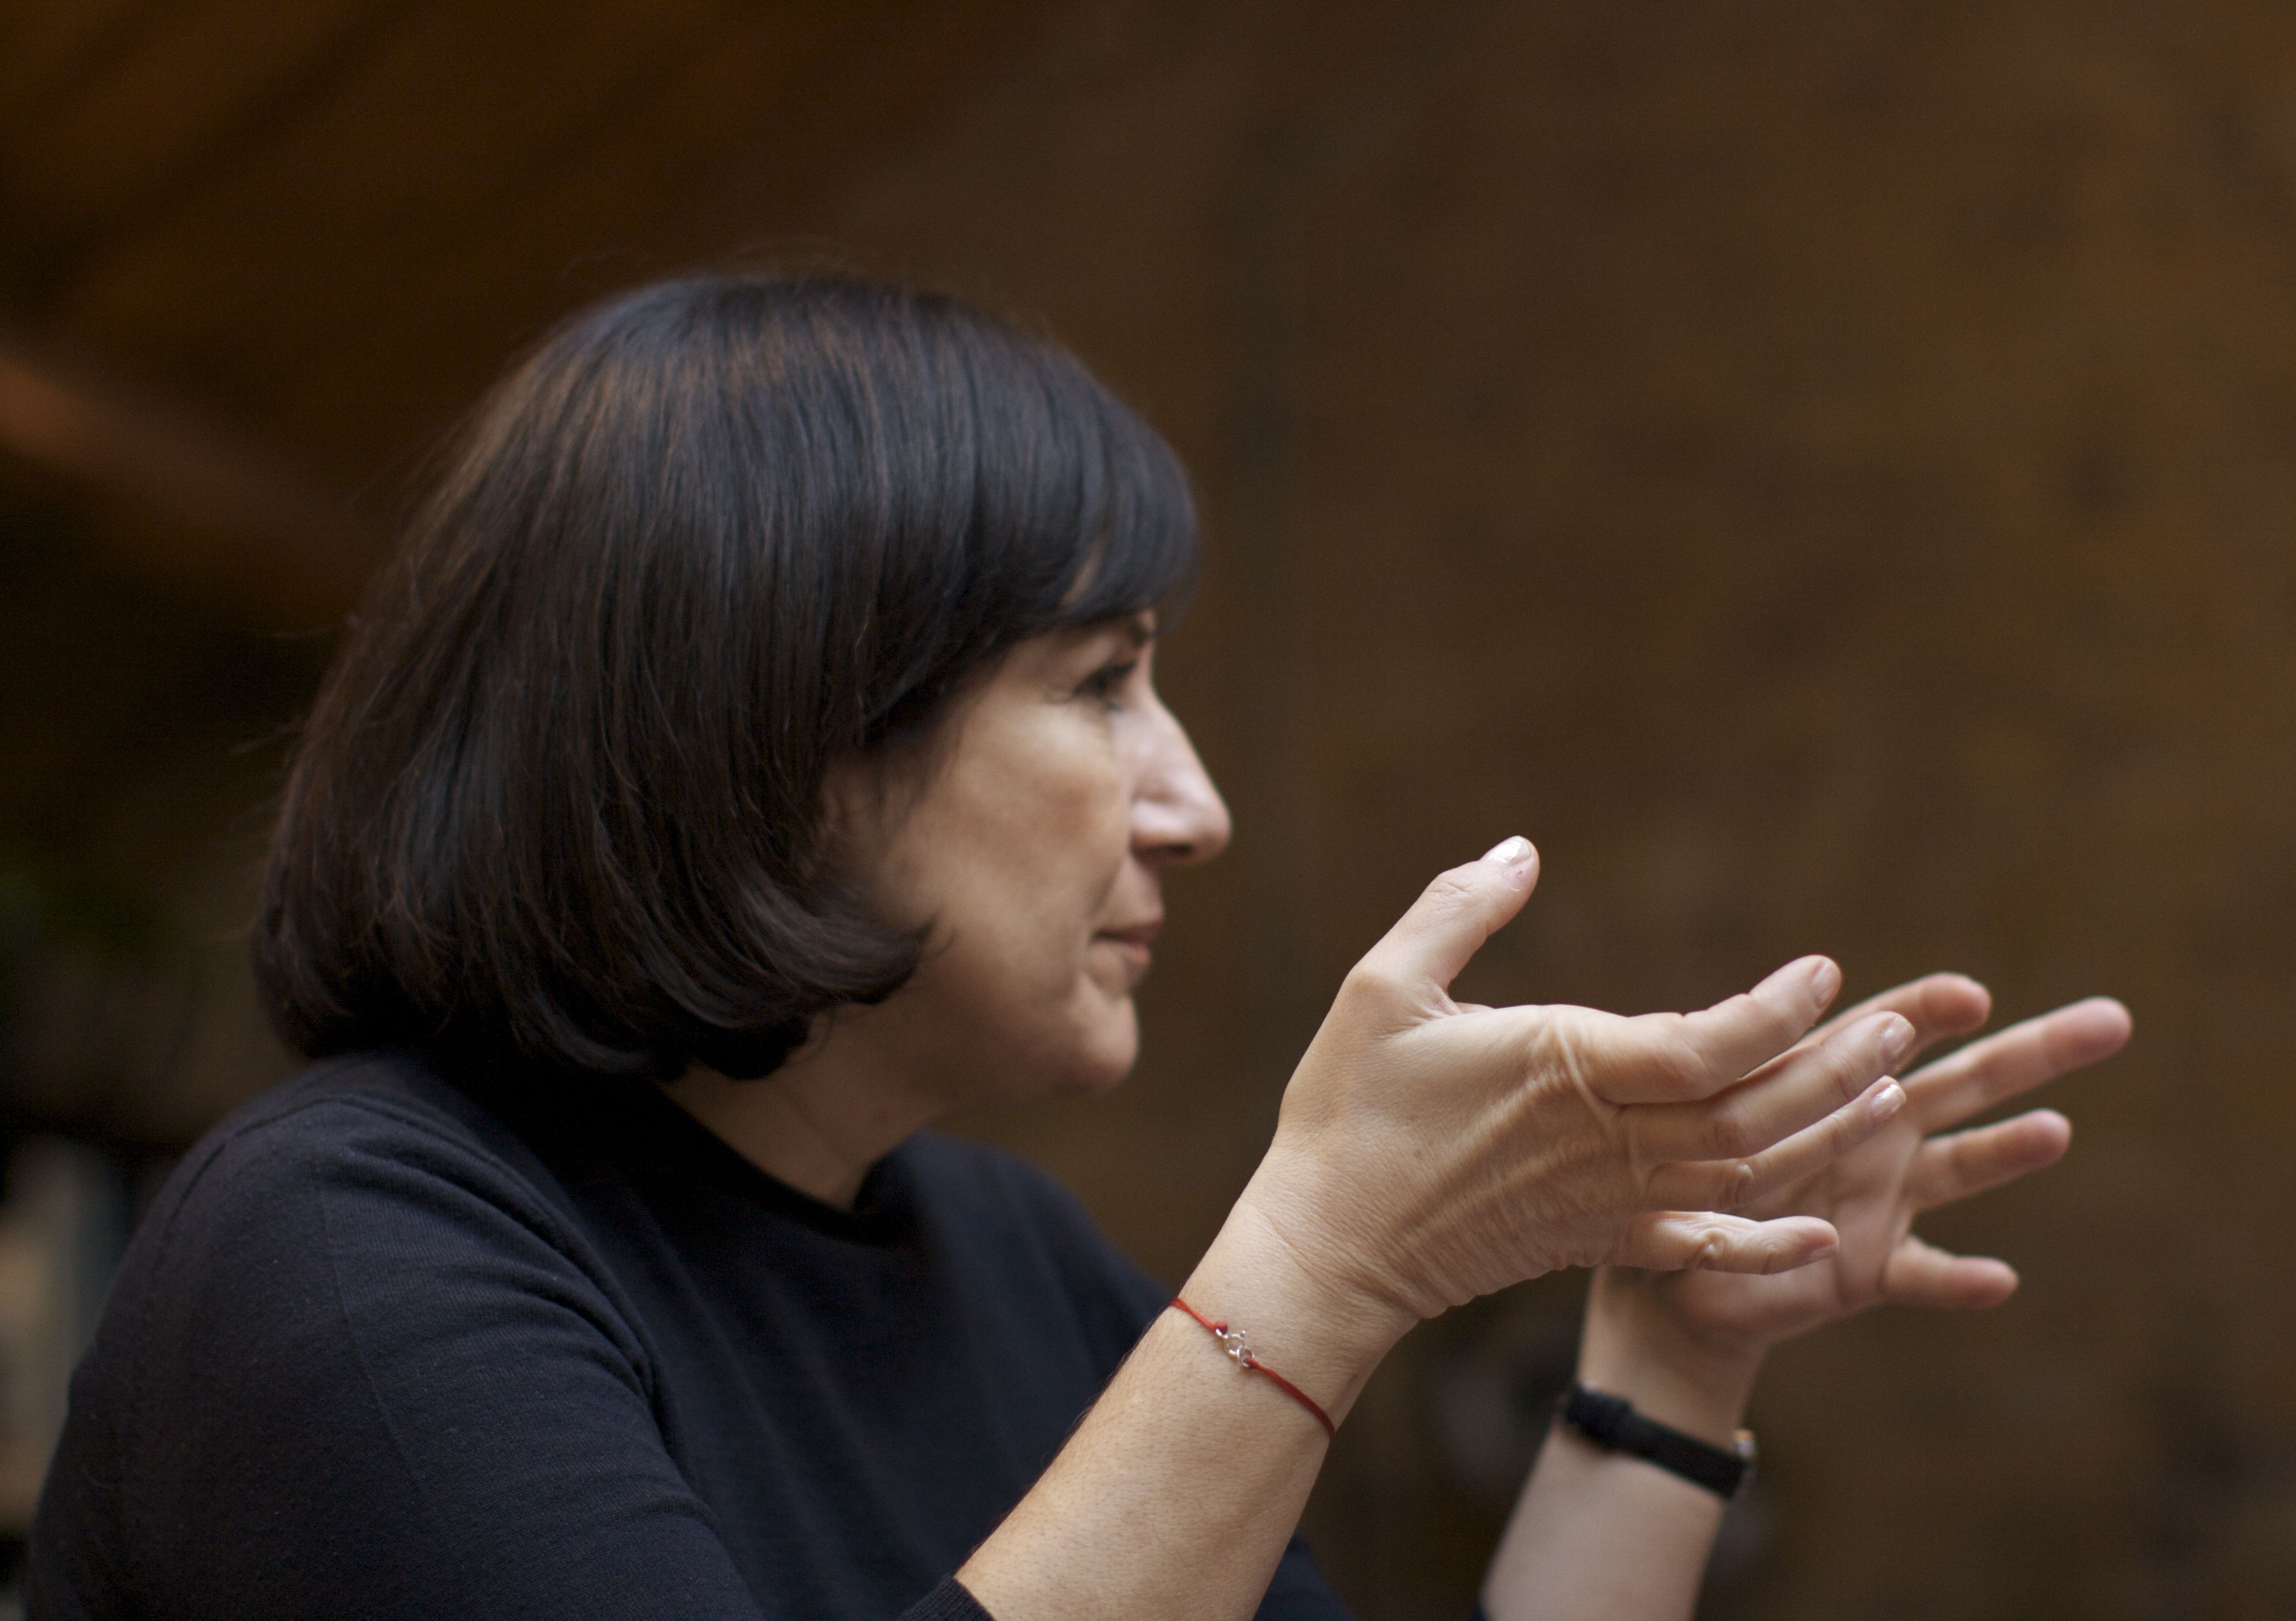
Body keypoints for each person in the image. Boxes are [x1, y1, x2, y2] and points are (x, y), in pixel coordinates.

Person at [24, 274, 2131, 1621]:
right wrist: (1318, 1267)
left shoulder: (1009, 1258)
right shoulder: (350, 1251)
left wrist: (1670, 1372)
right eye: (1103, 681)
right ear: (784, 733)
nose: (1191, 803)